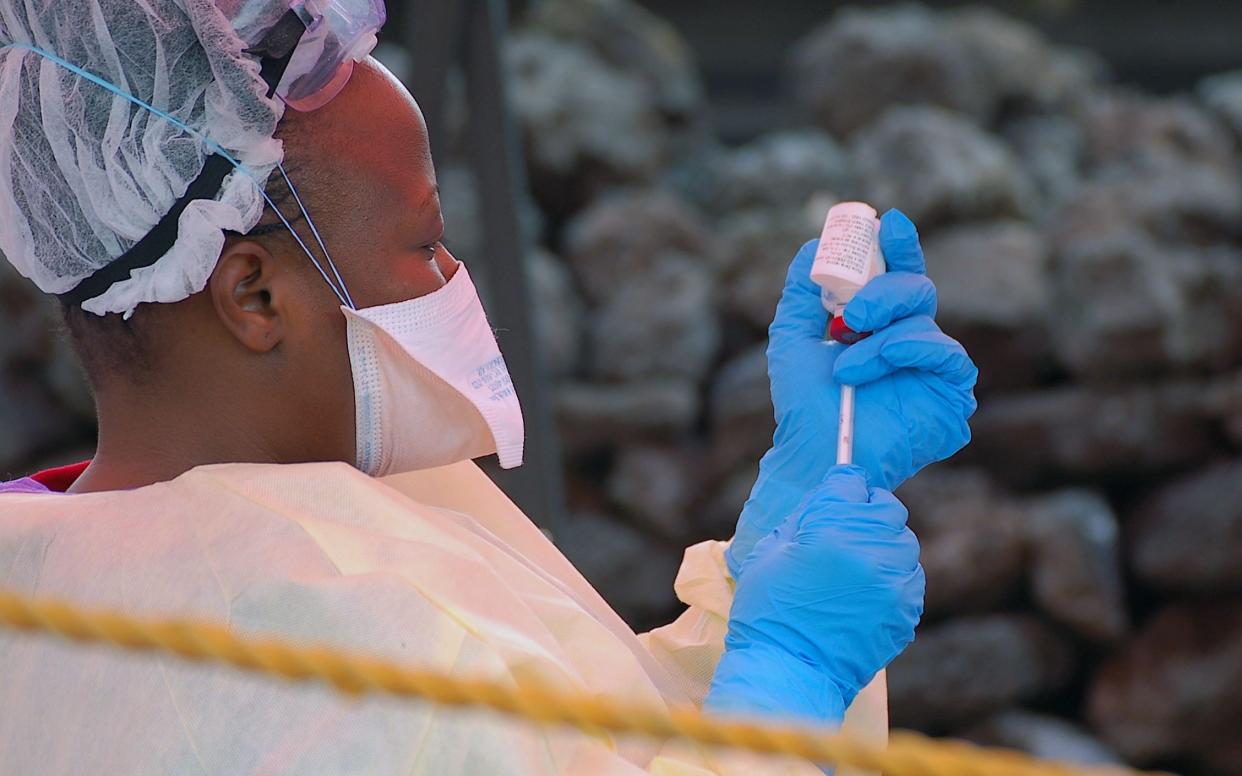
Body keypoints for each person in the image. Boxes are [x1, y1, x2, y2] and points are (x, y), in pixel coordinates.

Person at [0, 1, 977, 774]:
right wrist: (792, 673)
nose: (451, 277)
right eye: (424, 242)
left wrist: (788, 521)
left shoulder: (60, 567)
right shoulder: (334, 633)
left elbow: (607, 738)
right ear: (255, 294)